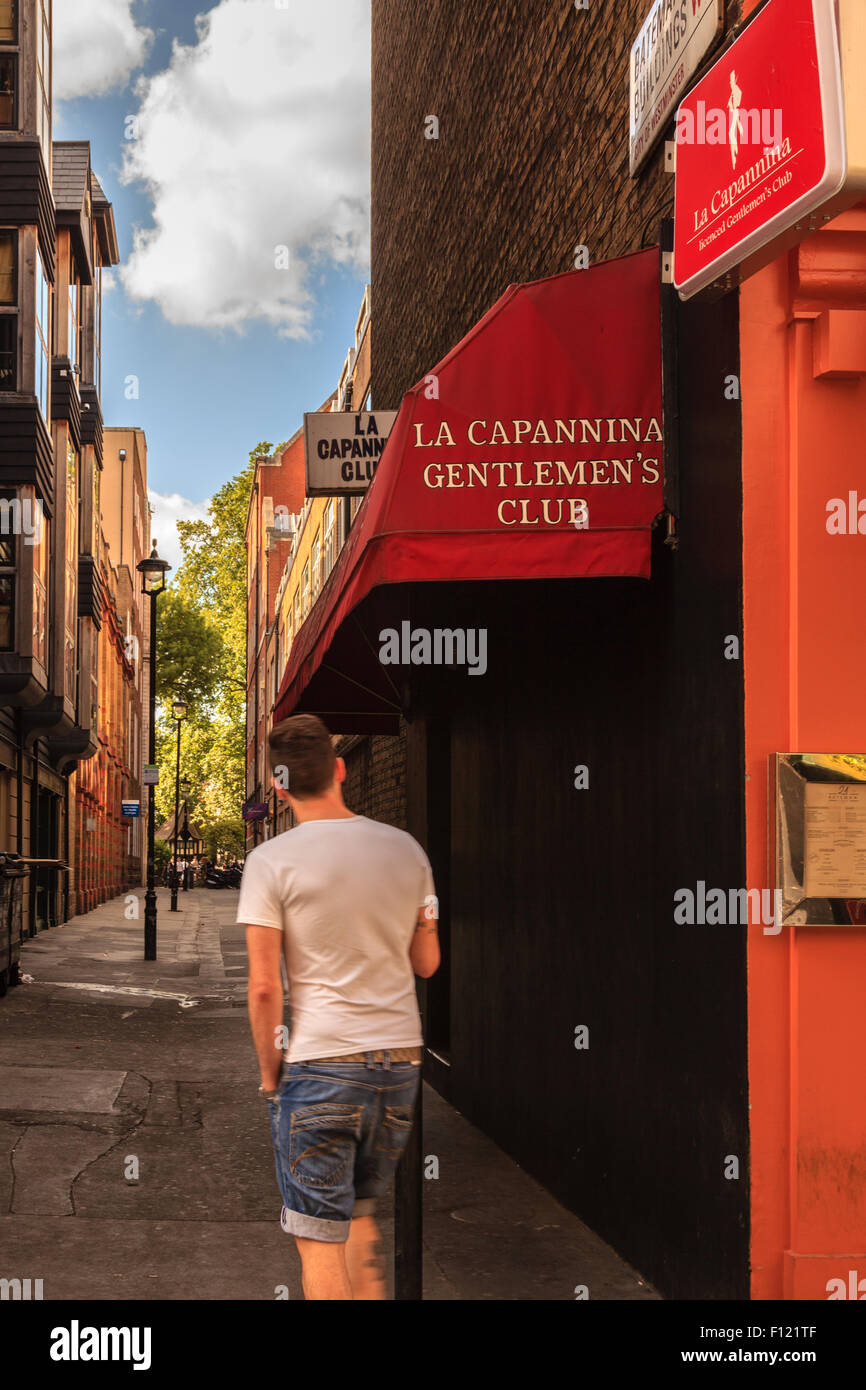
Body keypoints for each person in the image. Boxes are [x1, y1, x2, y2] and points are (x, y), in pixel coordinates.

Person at [237, 713, 440, 1300]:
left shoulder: (271, 862)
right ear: (341, 769)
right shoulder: (405, 849)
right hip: (399, 1063)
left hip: (322, 1063)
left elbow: (264, 987)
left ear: (278, 785)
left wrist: (271, 1076)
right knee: (358, 1218)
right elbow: (426, 961)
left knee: (319, 1238)